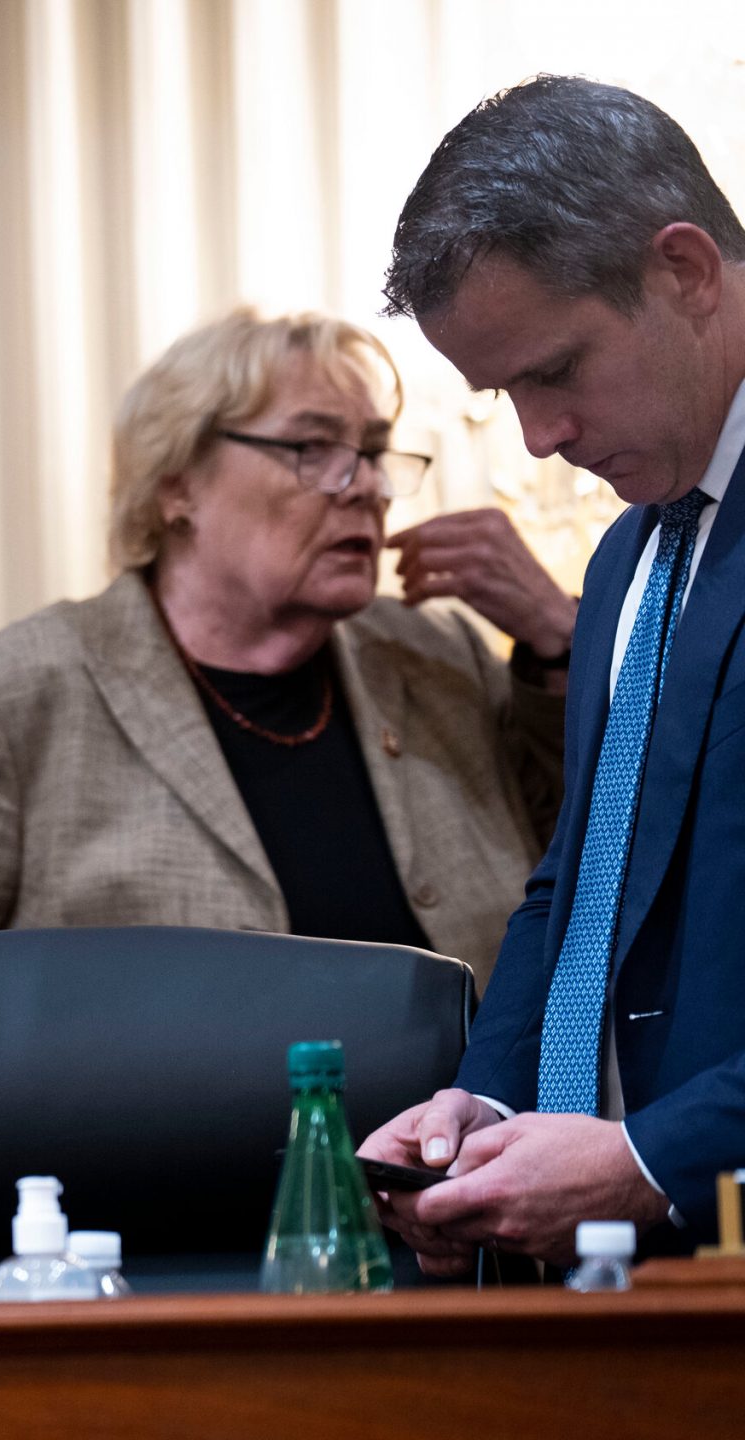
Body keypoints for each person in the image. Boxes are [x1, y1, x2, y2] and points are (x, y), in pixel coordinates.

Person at [0, 307, 574, 982]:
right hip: (145, 1153)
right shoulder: (14, 699)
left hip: (462, 1146)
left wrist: (557, 636)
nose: (367, 485)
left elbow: (603, 867)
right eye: (314, 448)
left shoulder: (439, 657)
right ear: (177, 485)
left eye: (372, 451)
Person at [359, 76, 745, 1268]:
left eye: (553, 371)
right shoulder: (638, 550)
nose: (537, 437)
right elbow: (582, 883)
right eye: (503, 394)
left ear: (682, 270)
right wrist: (490, 1109)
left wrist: (647, 1161)